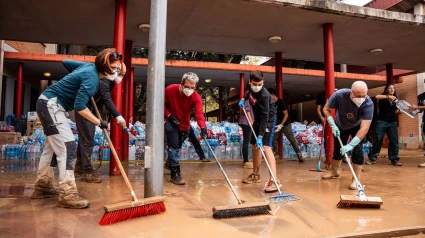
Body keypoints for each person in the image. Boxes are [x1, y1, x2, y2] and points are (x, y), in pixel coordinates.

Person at [31, 50, 114, 209]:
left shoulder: (88, 67)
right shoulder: (92, 79)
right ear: (107, 68)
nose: (118, 75)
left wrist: (77, 77)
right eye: (117, 70)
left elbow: (66, 62)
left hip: (48, 103)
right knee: (68, 147)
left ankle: (43, 186)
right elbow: (80, 107)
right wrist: (99, 122)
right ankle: (67, 194)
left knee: (53, 149)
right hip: (52, 105)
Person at [74, 49, 128, 183]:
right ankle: (87, 171)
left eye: (120, 72)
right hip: (85, 110)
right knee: (88, 140)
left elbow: (103, 100)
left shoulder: (108, 80)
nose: (119, 76)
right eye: (117, 71)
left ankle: (80, 165)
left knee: (84, 139)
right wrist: (118, 115)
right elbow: (107, 98)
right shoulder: (105, 81)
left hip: (92, 108)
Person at [322, 81, 374, 190]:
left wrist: (351, 144)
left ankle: (356, 180)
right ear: (351, 93)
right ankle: (335, 172)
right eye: (357, 96)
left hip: (357, 127)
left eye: (363, 96)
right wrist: (332, 124)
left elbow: (365, 127)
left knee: (358, 150)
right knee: (338, 149)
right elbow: (326, 109)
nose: (360, 98)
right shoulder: (339, 95)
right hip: (340, 125)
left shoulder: (368, 103)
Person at [239, 70, 281, 193]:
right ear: (250, 82)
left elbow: (265, 117)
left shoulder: (265, 96)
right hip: (258, 119)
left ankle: (274, 180)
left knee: (266, 147)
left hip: (268, 120)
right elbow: (248, 92)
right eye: (255, 84)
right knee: (254, 146)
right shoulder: (250, 87)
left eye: (260, 84)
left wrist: (261, 136)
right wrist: (243, 98)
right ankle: (256, 175)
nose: (257, 86)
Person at [164, 72, 207, 185]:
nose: (189, 89)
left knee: (176, 148)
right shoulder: (169, 90)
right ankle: (175, 174)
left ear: (195, 87)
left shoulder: (196, 97)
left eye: (192, 87)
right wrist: (169, 116)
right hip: (171, 122)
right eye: (187, 86)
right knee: (173, 148)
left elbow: (199, 114)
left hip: (185, 126)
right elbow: (161, 104)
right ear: (181, 84)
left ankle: (169, 163)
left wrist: (203, 128)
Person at [366, 84, 402, 166]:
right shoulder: (382, 97)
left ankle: (394, 159)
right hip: (381, 121)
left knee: (394, 141)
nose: (392, 89)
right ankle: (372, 158)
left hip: (392, 122)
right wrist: (388, 97)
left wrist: (399, 112)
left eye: (393, 88)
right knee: (378, 139)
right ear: (386, 90)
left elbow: (396, 111)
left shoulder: (396, 100)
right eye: (390, 88)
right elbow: (376, 97)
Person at [268, 88, 304, 162]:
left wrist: (281, 125)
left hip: (285, 124)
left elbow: (286, 114)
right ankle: (276, 154)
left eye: (269, 96)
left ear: (272, 95)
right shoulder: (270, 103)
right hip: (276, 124)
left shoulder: (281, 102)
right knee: (273, 138)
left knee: (291, 139)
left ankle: (299, 154)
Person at [409, 91, 425, 167]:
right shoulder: (421, 96)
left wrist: (417, 107)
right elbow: (420, 109)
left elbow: (419, 107)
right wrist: (412, 110)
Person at [238, 98, 254, 169]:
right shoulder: (248, 101)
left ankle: (246, 160)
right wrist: (251, 122)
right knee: (246, 142)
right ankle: (246, 161)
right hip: (246, 123)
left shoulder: (252, 100)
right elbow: (247, 112)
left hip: (248, 122)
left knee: (247, 141)